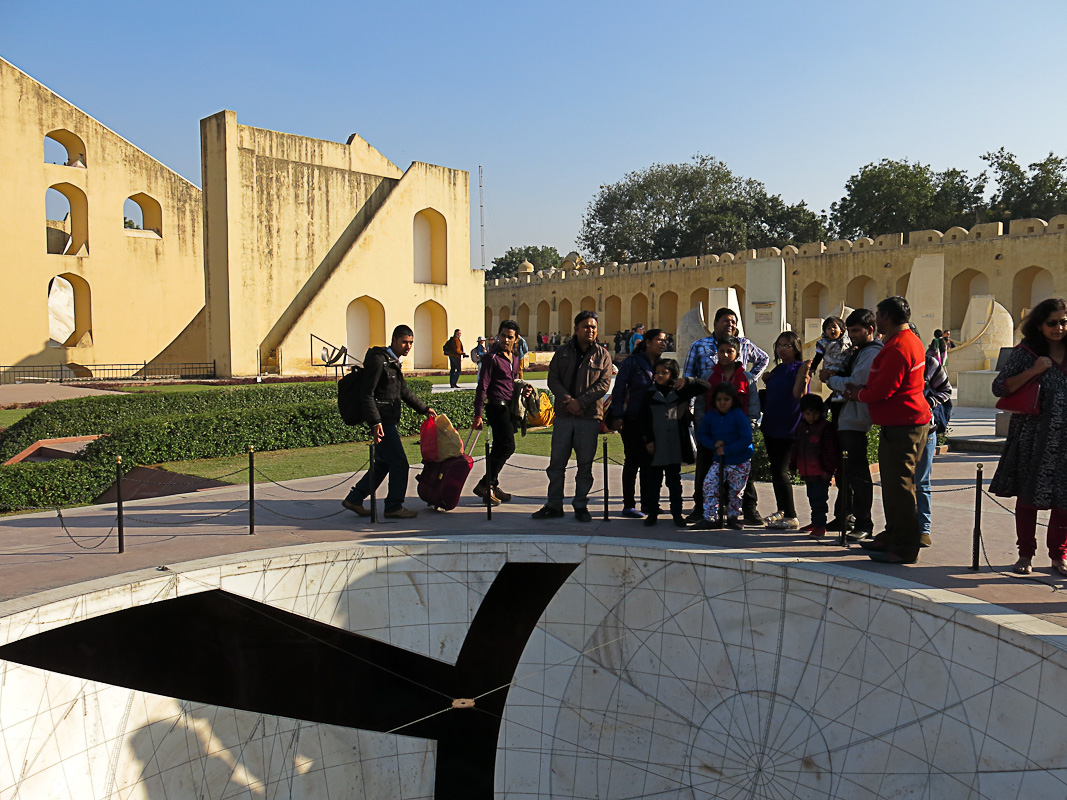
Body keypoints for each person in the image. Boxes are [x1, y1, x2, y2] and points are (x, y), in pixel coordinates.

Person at [848, 296, 931, 565]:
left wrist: (857, 394)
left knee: (900, 487)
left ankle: (905, 546)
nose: (876, 320)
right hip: (903, 421)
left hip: (904, 423)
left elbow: (883, 389)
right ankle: (894, 533)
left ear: (887, 317)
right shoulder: (905, 341)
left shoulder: (898, 346)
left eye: (878, 315)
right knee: (895, 485)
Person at [989, 298, 1067, 575]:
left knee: (1064, 502)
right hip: (1032, 438)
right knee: (1028, 497)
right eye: (1052, 323)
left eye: (1064, 322)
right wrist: (1035, 370)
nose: (1059, 327)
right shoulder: (1026, 353)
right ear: (1039, 324)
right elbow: (1000, 387)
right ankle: (1025, 554)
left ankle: (1059, 556)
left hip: (1065, 442)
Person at [683, 307, 769, 525]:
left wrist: (748, 427)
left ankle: (746, 511)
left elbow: (753, 405)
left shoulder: (745, 377)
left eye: (733, 321)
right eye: (725, 320)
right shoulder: (707, 370)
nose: (729, 324)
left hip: (738, 431)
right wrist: (701, 424)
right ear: (715, 323)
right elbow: (698, 394)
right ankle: (702, 509)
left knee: (741, 474)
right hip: (711, 429)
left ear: (736, 352)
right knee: (705, 471)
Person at [342, 325, 435, 519]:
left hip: (388, 419)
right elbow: (366, 394)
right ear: (394, 340)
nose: (408, 346)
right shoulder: (379, 361)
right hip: (383, 422)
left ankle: (355, 498)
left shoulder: (393, 362)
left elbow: (403, 391)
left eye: (411, 342)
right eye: (404, 342)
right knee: (400, 463)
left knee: (384, 463)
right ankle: (393, 506)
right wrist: (375, 423)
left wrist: (424, 409)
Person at [533, 310, 613, 522]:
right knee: (557, 464)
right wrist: (569, 401)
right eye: (586, 326)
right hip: (564, 416)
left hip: (588, 418)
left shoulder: (603, 355)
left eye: (594, 327)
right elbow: (553, 378)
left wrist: (581, 402)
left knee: (585, 466)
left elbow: (604, 384)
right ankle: (554, 504)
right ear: (576, 329)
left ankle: (580, 505)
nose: (591, 330)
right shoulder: (563, 352)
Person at [826, 308, 883, 541]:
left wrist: (831, 380)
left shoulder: (872, 352)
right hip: (846, 416)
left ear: (870, 329)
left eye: (857, 330)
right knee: (846, 473)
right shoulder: (859, 351)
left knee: (858, 474)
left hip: (856, 419)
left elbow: (856, 382)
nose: (852, 335)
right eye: (849, 331)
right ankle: (845, 516)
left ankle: (864, 524)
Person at [637, 358, 709, 527]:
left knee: (674, 482)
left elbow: (706, 386)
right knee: (653, 482)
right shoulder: (649, 394)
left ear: (673, 375)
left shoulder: (681, 392)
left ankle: (677, 514)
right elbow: (641, 419)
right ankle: (652, 513)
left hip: (675, 446)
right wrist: (648, 440)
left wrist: (688, 380)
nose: (660, 375)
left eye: (665, 372)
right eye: (657, 372)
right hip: (656, 447)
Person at [609, 328, 669, 518]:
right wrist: (618, 415)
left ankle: (649, 503)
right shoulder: (632, 362)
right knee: (633, 461)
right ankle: (629, 505)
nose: (663, 343)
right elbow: (619, 389)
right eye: (659, 340)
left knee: (650, 463)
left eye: (665, 341)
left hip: (654, 421)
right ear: (647, 342)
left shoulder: (661, 364)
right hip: (633, 419)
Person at [472, 320, 532, 505]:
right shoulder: (492, 358)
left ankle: (492, 484)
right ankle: (485, 484)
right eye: (503, 335)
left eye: (510, 337)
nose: (506, 339)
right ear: (498, 335)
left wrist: (525, 389)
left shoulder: (513, 358)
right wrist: (478, 414)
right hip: (496, 407)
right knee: (507, 446)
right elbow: (482, 386)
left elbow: (512, 383)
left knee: (499, 447)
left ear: (516, 339)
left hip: (507, 407)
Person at [761, 331, 807, 530]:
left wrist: (805, 372)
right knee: (775, 470)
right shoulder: (779, 370)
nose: (782, 348)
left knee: (781, 471)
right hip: (772, 425)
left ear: (796, 348)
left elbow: (799, 394)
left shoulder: (800, 368)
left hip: (789, 428)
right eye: (779, 344)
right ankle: (781, 510)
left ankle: (791, 515)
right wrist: (767, 379)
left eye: (787, 345)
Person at [694, 382, 753, 530]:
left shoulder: (738, 415)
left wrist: (727, 450)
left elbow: (746, 439)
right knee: (709, 485)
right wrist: (713, 444)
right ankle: (710, 517)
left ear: (733, 400)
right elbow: (702, 434)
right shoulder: (711, 416)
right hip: (719, 460)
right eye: (719, 399)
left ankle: (733, 517)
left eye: (726, 399)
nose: (722, 402)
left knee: (736, 491)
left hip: (740, 460)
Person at [916, 332, 953, 547]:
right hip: (897, 430)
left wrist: (926, 403)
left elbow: (945, 390)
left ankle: (923, 528)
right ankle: (899, 526)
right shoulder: (890, 361)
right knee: (898, 483)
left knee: (921, 480)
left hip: (924, 429)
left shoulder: (928, 363)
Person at [790, 394, 841, 538]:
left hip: (821, 472)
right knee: (811, 498)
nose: (811, 417)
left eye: (815, 413)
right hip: (807, 471)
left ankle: (820, 525)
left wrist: (829, 470)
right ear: (802, 414)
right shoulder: (800, 427)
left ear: (821, 412)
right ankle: (815, 522)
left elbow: (831, 451)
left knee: (819, 500)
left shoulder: (826, 428)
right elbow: (796, 448)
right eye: (807, 414)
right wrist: (793, 465)